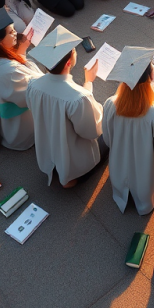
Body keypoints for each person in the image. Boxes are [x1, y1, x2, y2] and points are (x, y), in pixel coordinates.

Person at [102, 46, 154, 214]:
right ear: (151, 77)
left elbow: (108, 140)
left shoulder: (110, 103)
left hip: (118, 173)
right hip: (146, 179)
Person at [26, 25, 107, 188]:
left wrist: (87, 83)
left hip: (47, 144)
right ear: (69, 62)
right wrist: (89, 88)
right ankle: (73, 177)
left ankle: (57, 168)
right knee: (109, 130)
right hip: (72, 155)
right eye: (74, 51)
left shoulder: (33, 84)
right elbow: (92, 130)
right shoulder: (78, 97)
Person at [0, 8, 43, 152]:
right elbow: (36, 91)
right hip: (20, 130)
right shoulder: (8, 72)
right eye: (11, 32)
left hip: (7, 117)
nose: (16, 34)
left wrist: (22, 50)